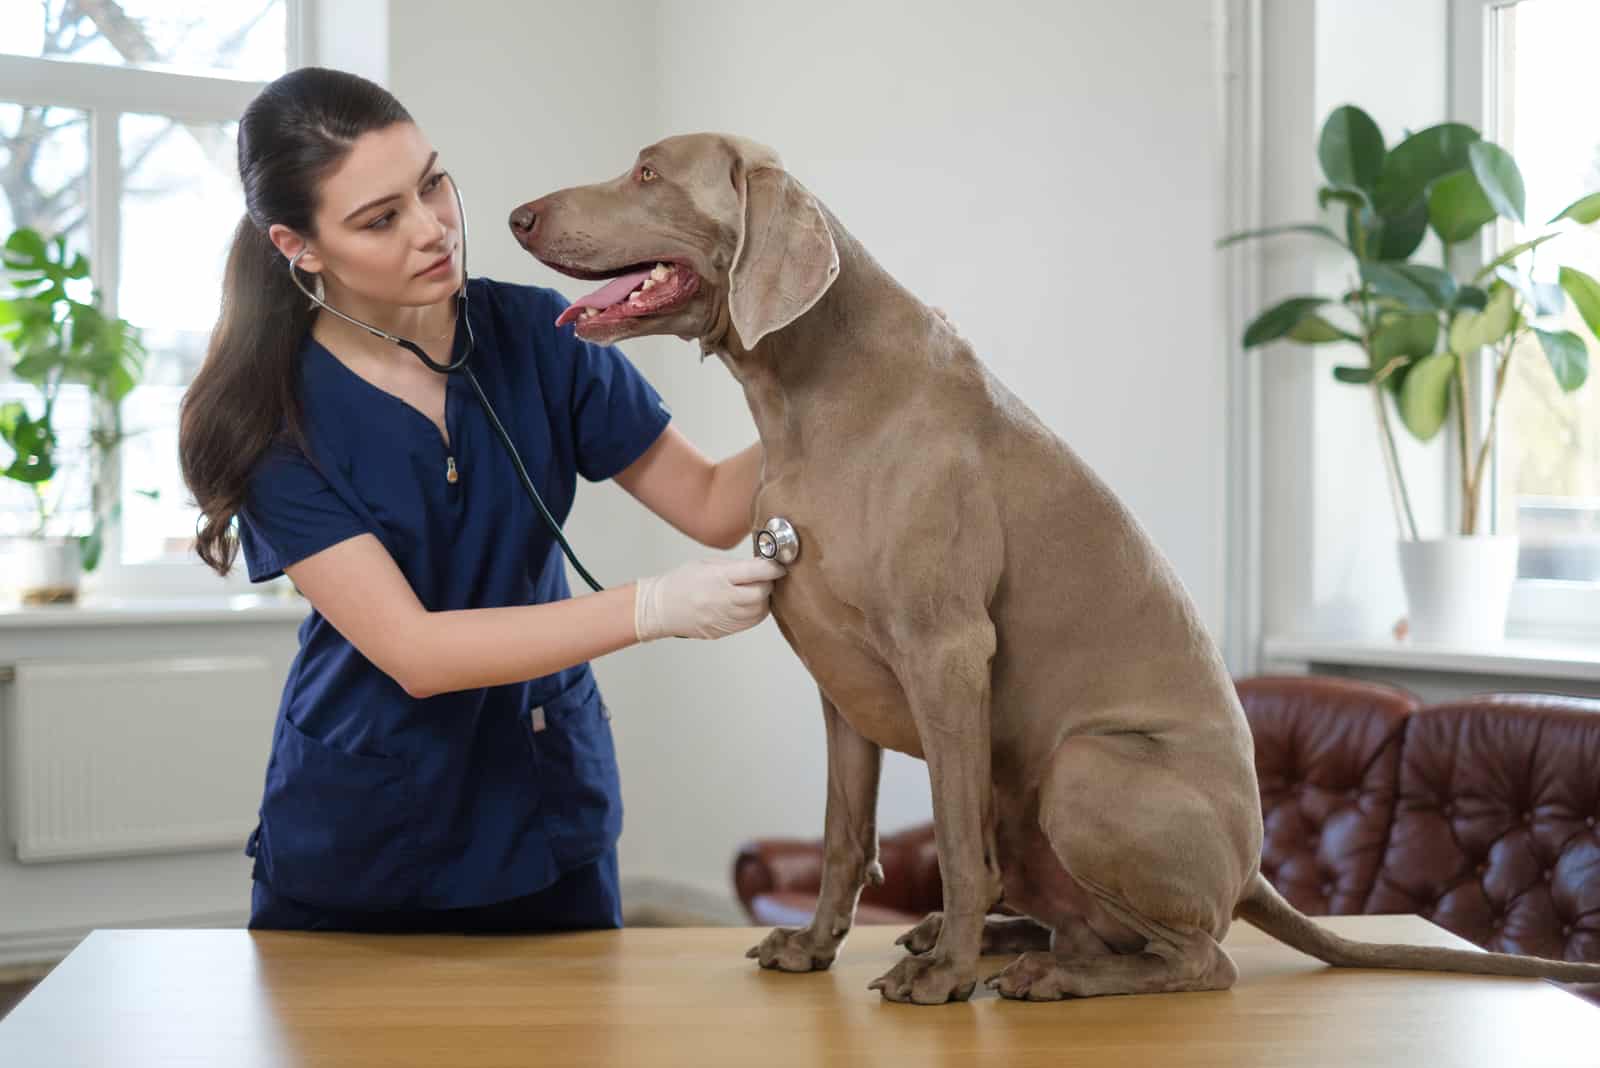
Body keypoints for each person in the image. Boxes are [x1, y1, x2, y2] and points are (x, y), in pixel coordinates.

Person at [177, 66, 783, 934]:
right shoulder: (269, 416)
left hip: (548, 811)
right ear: (298, 246)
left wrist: (859, 391)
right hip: (367, 839)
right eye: (381, 219)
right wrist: (652, 608)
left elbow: (719, 502)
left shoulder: (541, 337)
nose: (433, 230)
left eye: (432, 184)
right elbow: (415, 652)